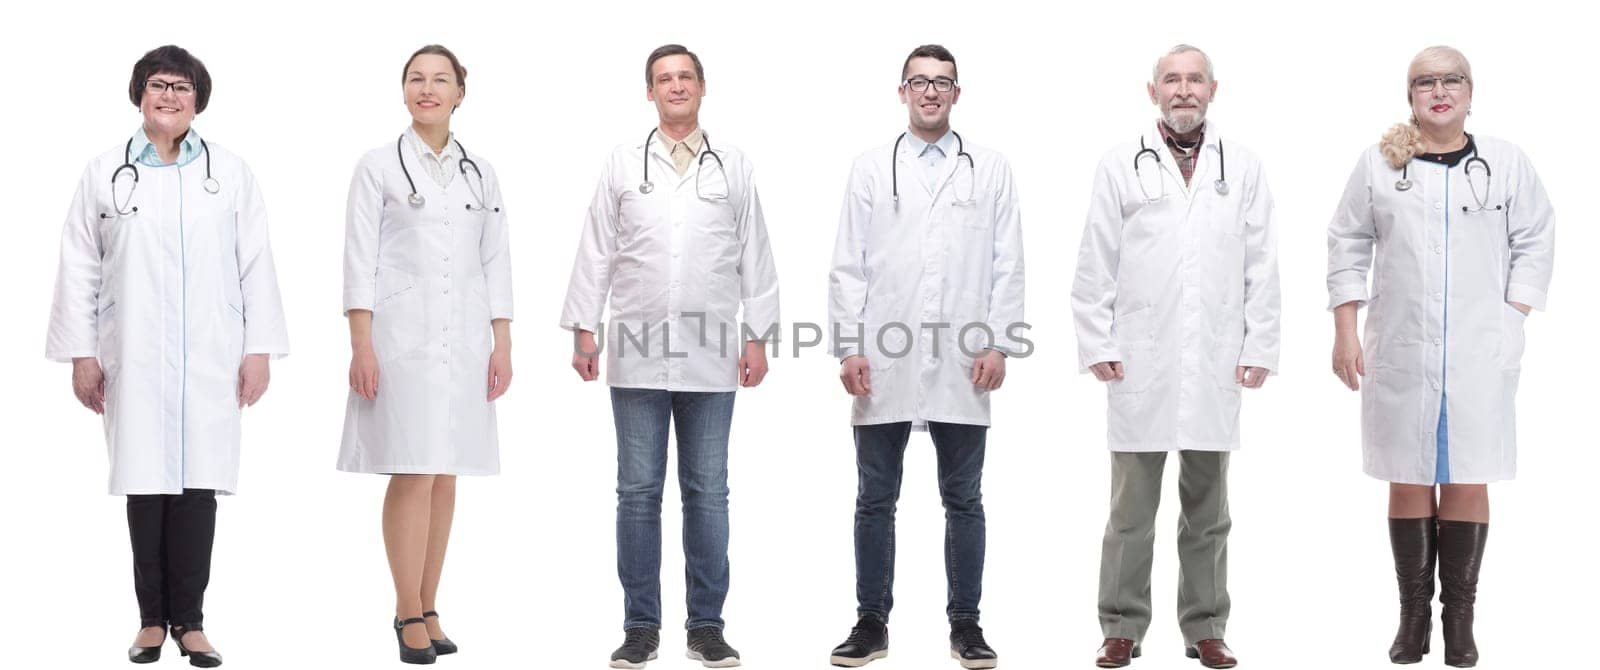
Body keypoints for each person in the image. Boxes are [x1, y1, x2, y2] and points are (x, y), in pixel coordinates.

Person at [45, 44, 290, 668]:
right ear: (139, 94)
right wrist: (81, 352)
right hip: (133, 349)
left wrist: (258, 348)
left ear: (198, 100)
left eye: (182, 87)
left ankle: (193, 623)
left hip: (211, 350)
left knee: (197, 488)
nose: (170, 96)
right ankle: (151, 621)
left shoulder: (229, 173)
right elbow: (80, 267)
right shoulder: (106, 172)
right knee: (145, 484)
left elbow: (256, 264)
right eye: (158, 85)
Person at [1326, 45, 1554, 669]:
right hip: (1400, 345)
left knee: (1467, 474)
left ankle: (1460, 618)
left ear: (1471, 91)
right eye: (1425, 81)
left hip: (1479, 349)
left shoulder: (1505, 164)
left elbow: (1535, 239)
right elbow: (1346, 244)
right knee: (1408, 471)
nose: (1440, 89)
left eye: (1452, 78)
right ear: (1411, 96)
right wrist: (1346, 330)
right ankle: (1412, 616)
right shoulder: (1378, 165)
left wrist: (1512, 316)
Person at [559, 43, 779, 669]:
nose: (675, 86)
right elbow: (596, 246)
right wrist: (583, 328)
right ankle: (640, 628)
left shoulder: (732, 165)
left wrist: (758, 335)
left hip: (713, 355)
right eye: (664, 78)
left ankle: (706, 626)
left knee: (708, 491)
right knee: (636, 491)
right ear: (648, 92)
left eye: (685, 77)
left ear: (703, 87)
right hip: (634, 351)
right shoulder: (625, 164)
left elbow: (754, 254)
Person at [1070, 44, 1279, 670]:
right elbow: (1095, 260)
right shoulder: (1120, 164)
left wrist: (1260, 342)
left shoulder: (1241, 167)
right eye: (1172, 80)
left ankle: (1206, 627)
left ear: (1214, 89)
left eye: (1194, 80)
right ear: (1152, 90)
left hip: (1215, 358)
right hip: (1141, 357)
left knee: (1208, 512)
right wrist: (1097, 342)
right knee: (1130, 513)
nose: (1183, 89)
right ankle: (1121, 627)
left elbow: (1262, 262)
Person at [824, 44, 1023, 670]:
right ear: (902, 91)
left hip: (965, 358)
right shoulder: (869, 169)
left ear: (957, 93)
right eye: (919, 82)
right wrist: (850, 347)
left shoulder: (988, 168)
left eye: (942, 83)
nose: (931, 92)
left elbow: (1007, 263)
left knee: (964, 498)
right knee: (874, 499)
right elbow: (846, 265)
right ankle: (871, 622)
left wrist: (998, 341)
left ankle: (966, 624)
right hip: (883, 357)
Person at [336, 44, 514, 665]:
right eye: (417, 79)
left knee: (445, 472)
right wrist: (361, 343)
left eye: (441, 80)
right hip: (400, 339)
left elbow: (496, 260)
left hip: (465, 340)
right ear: (403, 91)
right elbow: (359, 258)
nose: (428, 88)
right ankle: (405, 608)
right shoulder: (379, 166)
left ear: (461, 92)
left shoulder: (479, 172)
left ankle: (430, 604)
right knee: (412, 467)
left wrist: (503, 343)